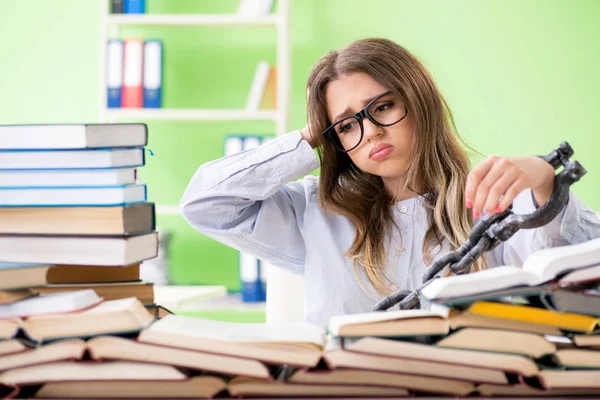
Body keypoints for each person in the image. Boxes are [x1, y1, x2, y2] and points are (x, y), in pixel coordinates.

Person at [181, 38, 600, 327]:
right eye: (346, 125)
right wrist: (307, 138)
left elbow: (581, 280)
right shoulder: (315, 214)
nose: (371, 133)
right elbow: (204, 204)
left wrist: (546, 184)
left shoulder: (491, 199)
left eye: (382, 107)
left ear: (418, 100)